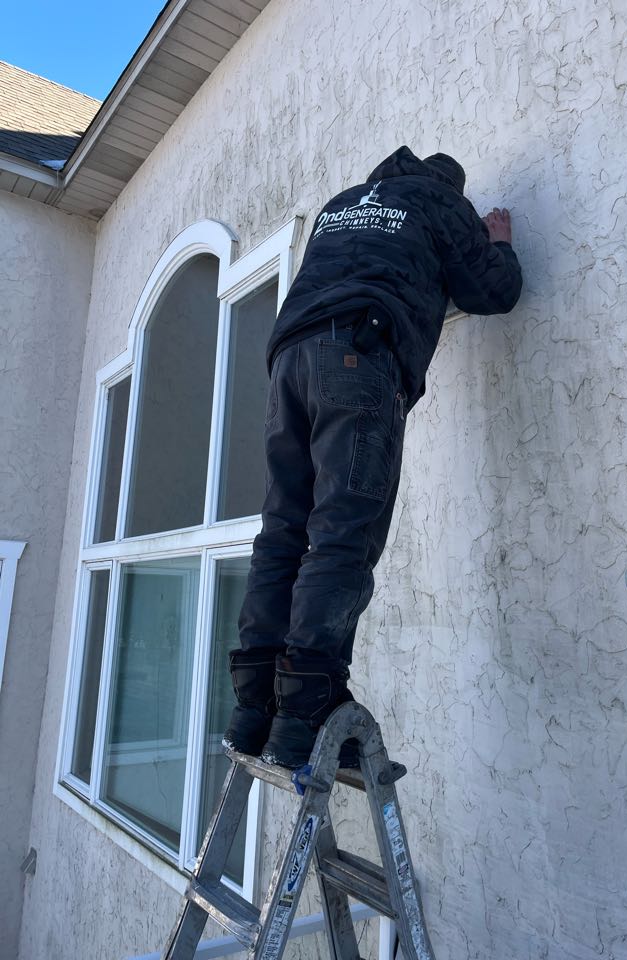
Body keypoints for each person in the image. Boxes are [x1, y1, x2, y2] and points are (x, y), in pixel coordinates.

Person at [223, 145, 522, 769]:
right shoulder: (440, 202)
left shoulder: (343, 205)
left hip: (289, 364)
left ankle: (255, 706)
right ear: (448, 188)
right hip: (357, 355)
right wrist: (496, 243)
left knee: (283, 530)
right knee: (342, 534)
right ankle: (308, 707)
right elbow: (495, 291)